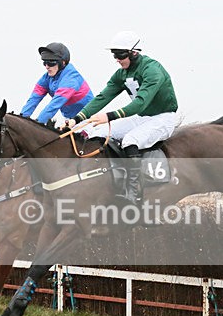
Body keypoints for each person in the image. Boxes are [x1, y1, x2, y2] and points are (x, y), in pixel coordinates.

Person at [68, 31, 179, 205]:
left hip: (162, 118)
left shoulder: (152, 70)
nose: (116, 59)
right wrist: (77, 119)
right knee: (94, 132)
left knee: (129, 140)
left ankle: (134, 194)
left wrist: (110, 116)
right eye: (114, 55)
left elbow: (140, 103)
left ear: (134, 53)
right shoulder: (121, 74)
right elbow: (102, 97)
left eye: (120, 55)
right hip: (142, 117)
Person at [20, 42, 94, 126]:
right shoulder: (47, 77)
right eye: (45, 62)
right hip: (69, 119)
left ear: (63, 62)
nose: (47, 66)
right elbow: (33, 99)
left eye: (51, 62)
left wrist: (37, 125)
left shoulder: (71, 79)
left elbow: (53, 106)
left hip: (88, 120)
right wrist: (21, 119)